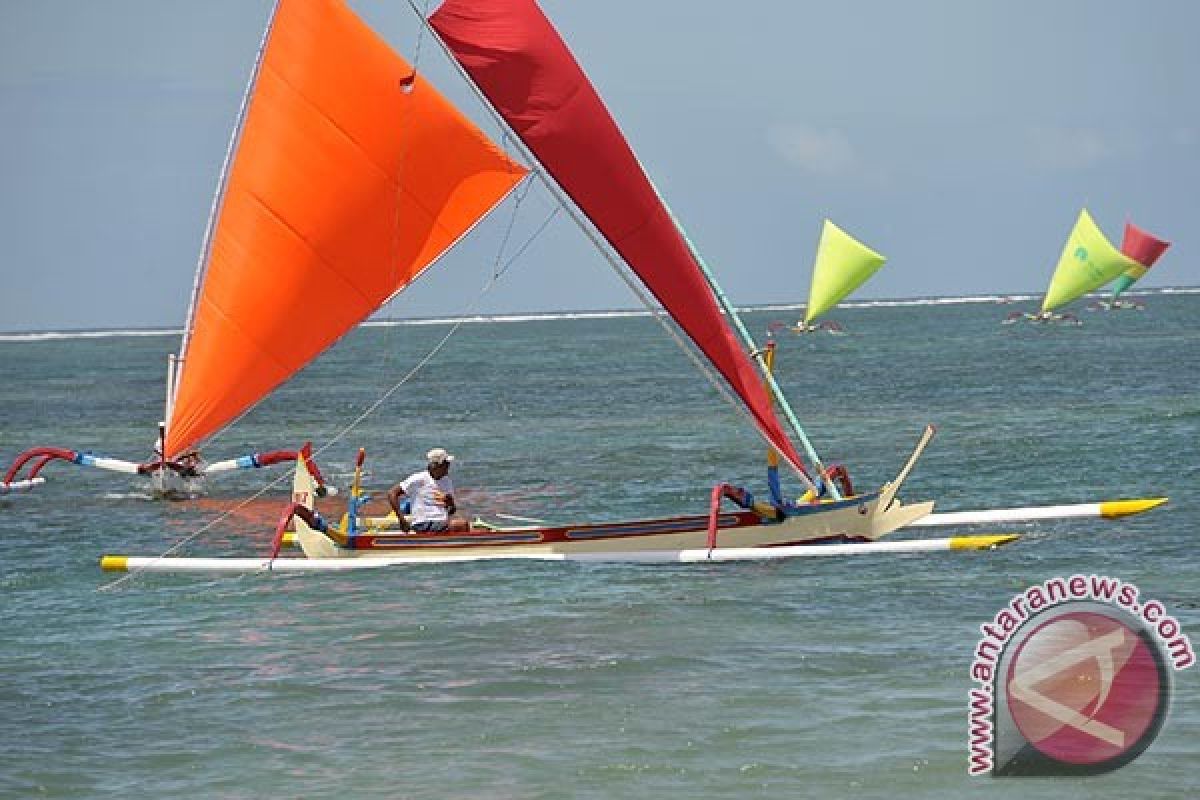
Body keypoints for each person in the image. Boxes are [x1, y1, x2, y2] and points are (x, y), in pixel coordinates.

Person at [387, 447, 469, 533]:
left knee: (463, 525)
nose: (448, 466)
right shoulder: (418, 478)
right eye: (446, 463)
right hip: (423, 523)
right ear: (437, 465)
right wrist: (401, 519)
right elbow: (392, 493)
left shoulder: (447, 481)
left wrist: (450, 503)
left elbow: (451, 511)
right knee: (462, 525)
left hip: (441, 523)